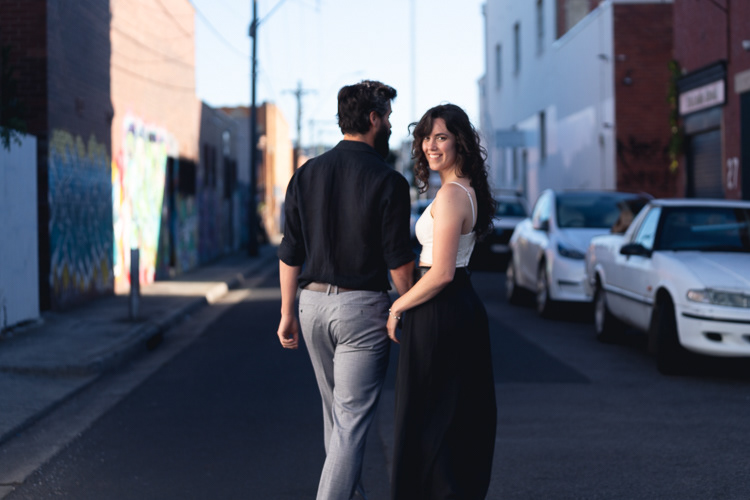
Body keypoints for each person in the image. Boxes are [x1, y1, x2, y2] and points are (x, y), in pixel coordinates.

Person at [276, 80, 415, 500]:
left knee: (337, 420)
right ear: (373, 119)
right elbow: (398, 262)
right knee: (350, 423)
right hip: (361, 311)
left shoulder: (305, 174)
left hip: (311, 307)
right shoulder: (389, 181)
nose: (390, 124)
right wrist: (409, 306)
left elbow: (290, 251)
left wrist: (287, 313)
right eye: (387, 117)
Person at [387, 104, 497, 499]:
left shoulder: (452, 194)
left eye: (441, 137)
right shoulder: (462, 188)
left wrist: (398, 306)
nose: (430, 146)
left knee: (432, 418)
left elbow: (442, 272)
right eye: (426, 138)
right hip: (453, 307)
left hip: (442, 309)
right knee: (447, 417)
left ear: (460, 142)